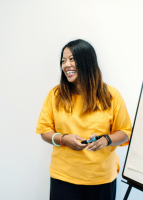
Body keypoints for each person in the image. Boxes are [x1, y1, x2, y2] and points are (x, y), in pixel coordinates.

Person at [36, 39, 132, 200]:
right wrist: (64, 139)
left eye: (72, 59)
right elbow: (44, 132)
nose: (66, 65)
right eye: (63, 61)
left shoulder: (111, 95)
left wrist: (106, 140)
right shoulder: (55, 95)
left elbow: (124, 132)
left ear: (87, 61)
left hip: (101, 179)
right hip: (63, 178)